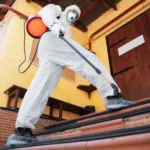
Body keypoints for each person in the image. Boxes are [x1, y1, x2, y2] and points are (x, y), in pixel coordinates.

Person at [6, 4, 133, 147]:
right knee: (88, 59)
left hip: (49, 50)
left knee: (42, 86)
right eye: (73, 11)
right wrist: (54, 24)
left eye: (76, 15)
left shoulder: (68, 29)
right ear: (67, 9)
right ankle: (112, 95)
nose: (74, 15)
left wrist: (59, 28)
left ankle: (22, 130)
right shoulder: (57, 10)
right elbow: (45, 11)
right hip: (51, 39)